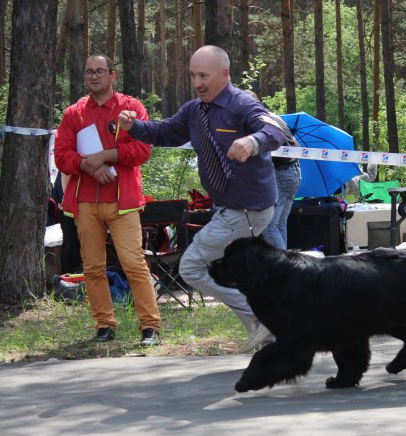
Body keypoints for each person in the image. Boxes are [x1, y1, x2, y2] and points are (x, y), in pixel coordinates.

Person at [117, 45, 285, 351]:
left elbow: (275, 130)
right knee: (239, 269)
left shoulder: (242, 103)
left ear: (224, 74)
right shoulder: (195, 111)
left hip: (249, 210)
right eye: (193, 75)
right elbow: (166, 132)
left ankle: (263, 320)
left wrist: (252, 141)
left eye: (203, 75)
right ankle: (267, 332)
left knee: (192, 267)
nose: (197, 83)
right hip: (228, 208)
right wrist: (134, 126)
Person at [54, 53, 161, 347]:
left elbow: (142, 151)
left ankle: (150, 326)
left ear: (113, 75)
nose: (94, 76)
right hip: (85, 202)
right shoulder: (73, 113)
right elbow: (61, 155)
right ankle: (104, 326)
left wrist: (108, 155)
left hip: (123, 201)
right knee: (92, 269)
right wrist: (91, 165)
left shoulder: (132, 108)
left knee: (134, 264)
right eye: (89, 72)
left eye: (100, 71)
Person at [245, 90, 301, 249]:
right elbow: (297, 147)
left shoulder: (254, 121)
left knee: (269, 227)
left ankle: (285, 268)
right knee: (279, 224)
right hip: (294, 172)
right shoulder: (274, 117)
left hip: (280, 174)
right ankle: (286, 266)